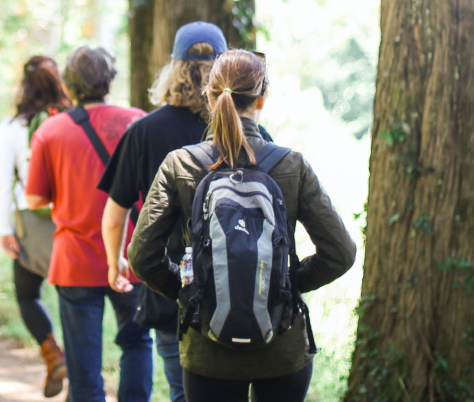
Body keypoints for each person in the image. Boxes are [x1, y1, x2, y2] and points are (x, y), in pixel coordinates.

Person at [128, 49, 357, 402]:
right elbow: (340, 253)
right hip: (283, 347)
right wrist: (284, 286)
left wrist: (193, 292)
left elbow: (142, 256)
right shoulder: (292, 165)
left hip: (208, 350)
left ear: (208, 94)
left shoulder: (180, 164)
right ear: (261, 98)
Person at [98, 22, 273, 402]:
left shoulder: (143, 132)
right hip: (246, 292)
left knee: (185, 392)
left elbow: (115, 215)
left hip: (174, 291)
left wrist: (115, 264)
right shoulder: (257, 138)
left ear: (173, 68)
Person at [25, 46, 153, 402]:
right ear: (109, 78)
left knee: (83, 365)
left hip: (76, 260)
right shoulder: (138, 121)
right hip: (132, 255)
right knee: (138, 343)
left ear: (70, 83)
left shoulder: (50, 132)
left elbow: (34, 198)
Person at [0, 55, 72, 397]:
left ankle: (53, 353)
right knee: (74, 301)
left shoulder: (12, 127)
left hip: (30, 221)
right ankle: (80, 377)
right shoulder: (73, 120)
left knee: (27, 295)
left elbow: (0, 182)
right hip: (72, 222)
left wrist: (4, 228)